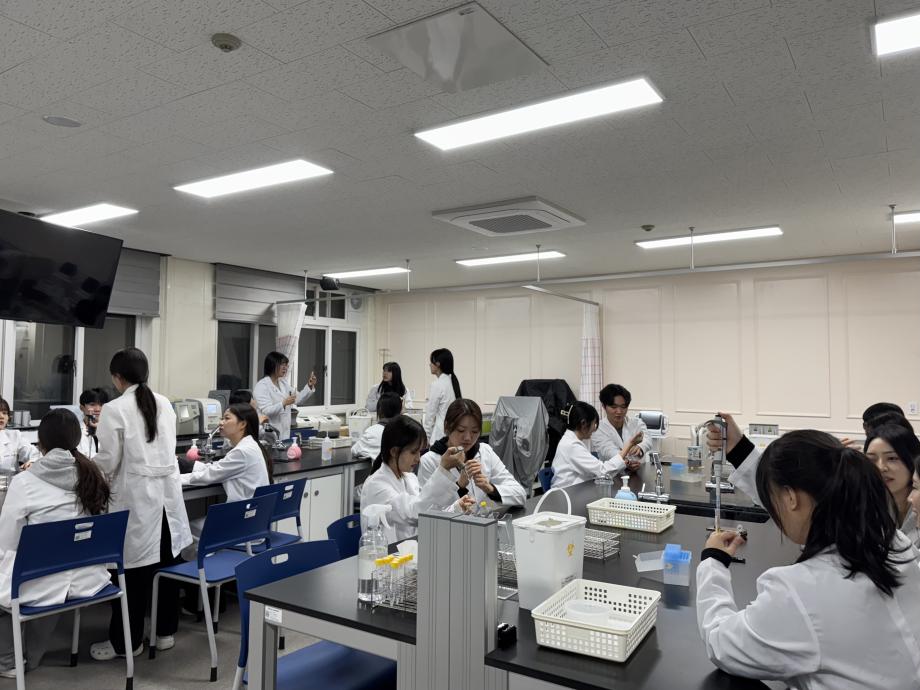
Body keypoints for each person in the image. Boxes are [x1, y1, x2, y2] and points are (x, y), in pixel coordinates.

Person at [697, 427, 920, 688]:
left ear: (791, 497)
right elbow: (812, 515)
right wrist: (739, 449)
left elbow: (722, 643)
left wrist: (713, 561)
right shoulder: (895, 543)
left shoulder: (800, 590)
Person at [91, 348, 192, 661]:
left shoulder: (114, 409)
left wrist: (86, 469)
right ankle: (164, 634)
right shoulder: (164, 403)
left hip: (137, 501)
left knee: (131, 575)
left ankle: (126, 644)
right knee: (167, 566)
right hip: (167, 501)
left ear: (117, 377)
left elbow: (108, 461)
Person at [0, 410, 111, 677]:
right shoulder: (93, 474)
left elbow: (7, 541)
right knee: (48, 566)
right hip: (88, 579)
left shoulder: (25, 482)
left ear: (41, 442)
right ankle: (33, 656)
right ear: (77, 439)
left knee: (13, 575)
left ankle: (8, 662)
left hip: (42, 583)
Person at [359, 415, 473, 543]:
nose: (418, 459)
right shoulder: (376, 485)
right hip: (386, 553)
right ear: (394, 451)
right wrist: (443, 469)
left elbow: (428, 511)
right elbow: (415, 514)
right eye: (413, 452)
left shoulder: (409, 478)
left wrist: (456, 508)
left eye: (420, 452)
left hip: (409, 549)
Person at [181, 403, 271, 559]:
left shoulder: (242, 451)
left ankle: (201, 571)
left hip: (243, 526)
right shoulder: (249, 446)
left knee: (186, 530)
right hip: (253, 521)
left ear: (242, 424)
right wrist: (190, 465)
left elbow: (210, 476)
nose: (221, 422)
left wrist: (174, 479)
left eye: (226, 418)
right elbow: (219, 467)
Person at [418, 399, 525, 507]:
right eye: (461, 430)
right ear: (447, 427)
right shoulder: (430, 461)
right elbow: (427, 509)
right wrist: (459, 486)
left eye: (474, 431)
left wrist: (490, 488)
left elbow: (520, 494)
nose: (468, 438)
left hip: (481, 517)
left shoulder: (485, 451)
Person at [865, 423, 920, 549]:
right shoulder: (870, 503)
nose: (880, 467)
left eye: (892, 458)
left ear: (912, 460)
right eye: (872, 459)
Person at [253, 351, 316, 442]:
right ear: (272, 365)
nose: (285, 368)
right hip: (268, 435)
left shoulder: (283, 383)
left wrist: (309, 386)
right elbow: (266, 411)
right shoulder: (262, 386)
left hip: (285, 433)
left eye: (286, 365)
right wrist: (283, 403)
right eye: (282, 365)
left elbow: (298, 399)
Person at [551, 402, 612, 489]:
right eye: (594, 423)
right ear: (583, 423)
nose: (594, 428)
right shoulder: (571, 445)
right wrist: (627, 448)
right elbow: (602, 471)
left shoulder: (572, 440)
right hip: (566, 492)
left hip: (575, 489)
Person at [592, 384, 650, 473]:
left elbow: (647, 438)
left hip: (637, 474)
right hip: (612, 475)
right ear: (604, 406)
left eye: (623, 407)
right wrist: (627, 463)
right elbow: (609, 451)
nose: (619, 411)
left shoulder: (636, 423)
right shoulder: (598, 429)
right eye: (614, 407)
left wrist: (640, 447)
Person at [423, 348, 461, 444]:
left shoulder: (437, 385)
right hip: (451, 433)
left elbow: (430, 415)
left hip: (440, 435)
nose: (429, 365)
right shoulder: (452, 382)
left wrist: (425, 437)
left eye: (431, 362)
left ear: (438, 364)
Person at [352, 392, 402, 459]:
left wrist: (367, 453)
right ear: (400, 410)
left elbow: (354, 450)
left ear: (380, 410)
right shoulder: (407, 431)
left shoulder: (372, 431)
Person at [0, 398, 39, 472]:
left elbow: (34, 453)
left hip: (10, 478)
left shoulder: (15, 436)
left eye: (4, 413)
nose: (1, 416)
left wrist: (32, 462)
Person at [77, 387, 109, 459]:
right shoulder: (75, 430)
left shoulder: (111, 429)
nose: (97, 409)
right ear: (82, 407)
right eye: (92, 404)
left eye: (101, 405)